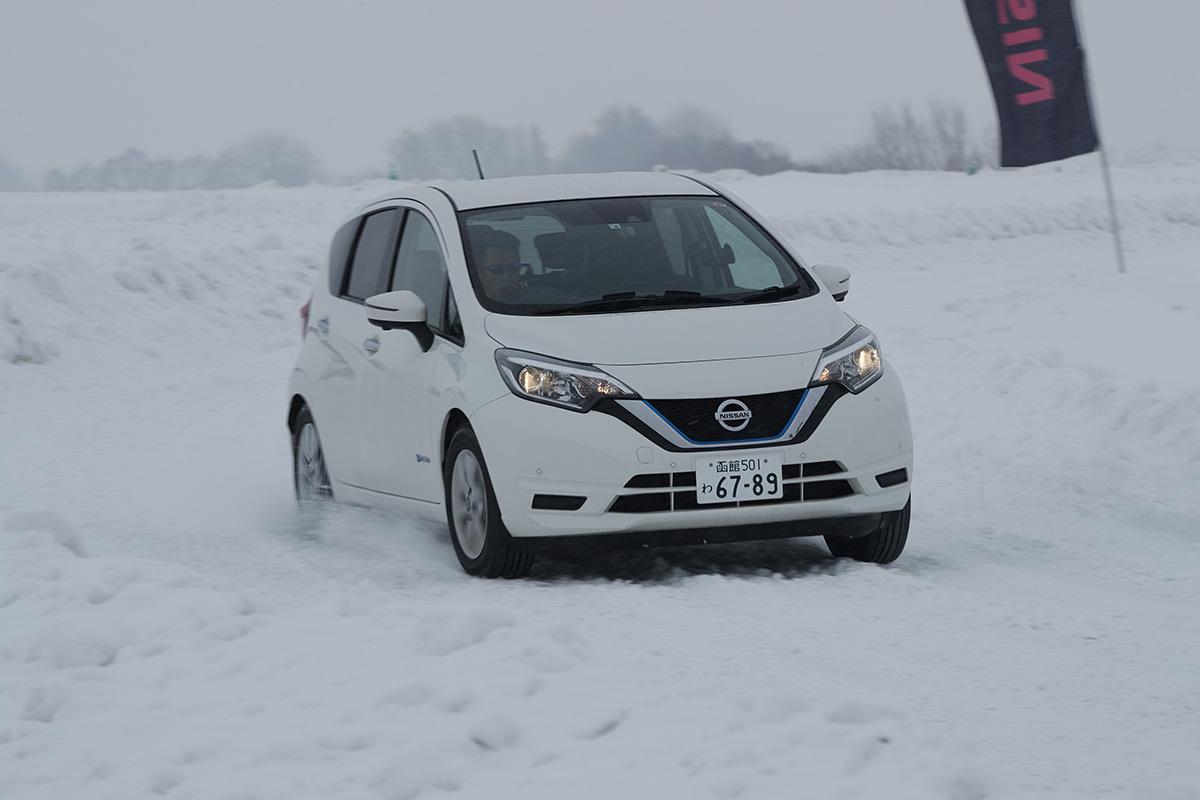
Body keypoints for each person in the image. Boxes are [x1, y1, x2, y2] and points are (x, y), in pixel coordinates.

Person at [471, 228, 527, 299]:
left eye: (514, 268)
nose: (507, 276)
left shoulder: (533, 300)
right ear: (478, 272)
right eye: (497, 270)